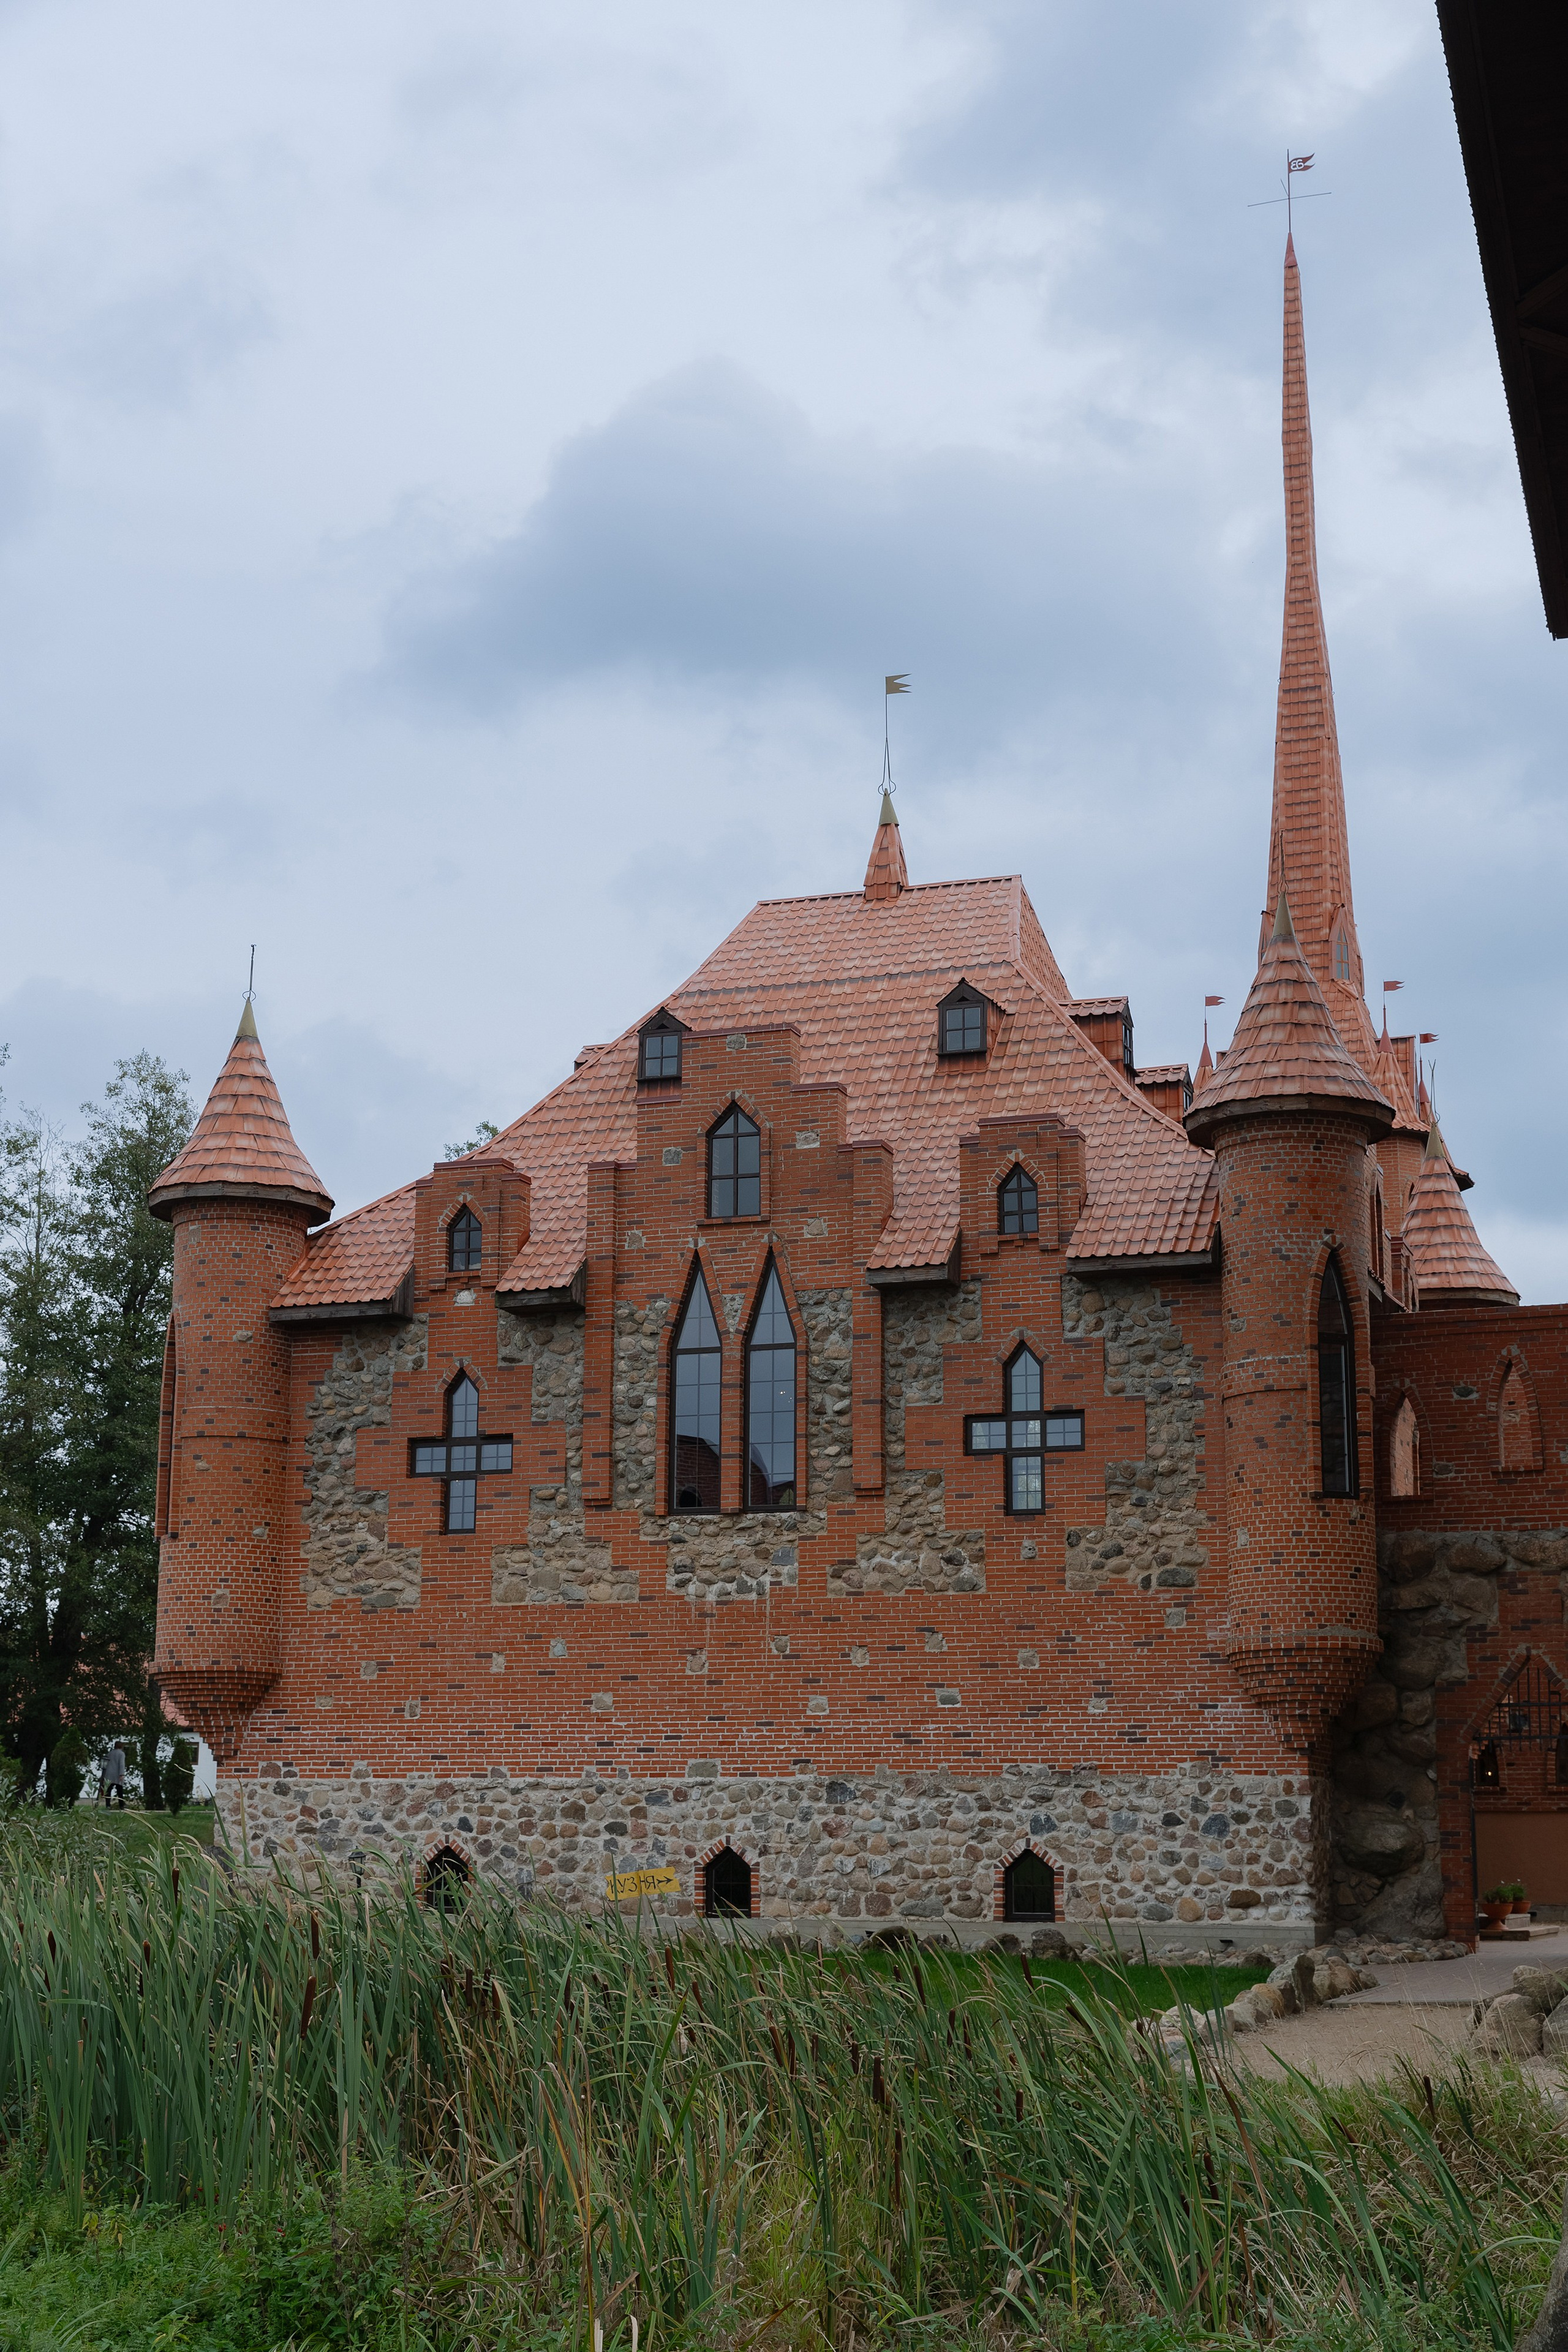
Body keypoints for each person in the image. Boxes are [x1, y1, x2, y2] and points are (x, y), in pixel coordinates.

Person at [101, 1740, 127, 1808]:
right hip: (117, 1774)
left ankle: (108, 1805)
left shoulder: (110, 1753)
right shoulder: (121, 1754)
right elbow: (122, 1764)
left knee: (108, 1790)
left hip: (109, 1774)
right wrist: (122, 1774)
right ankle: (121, 1805)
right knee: (120, 1791)